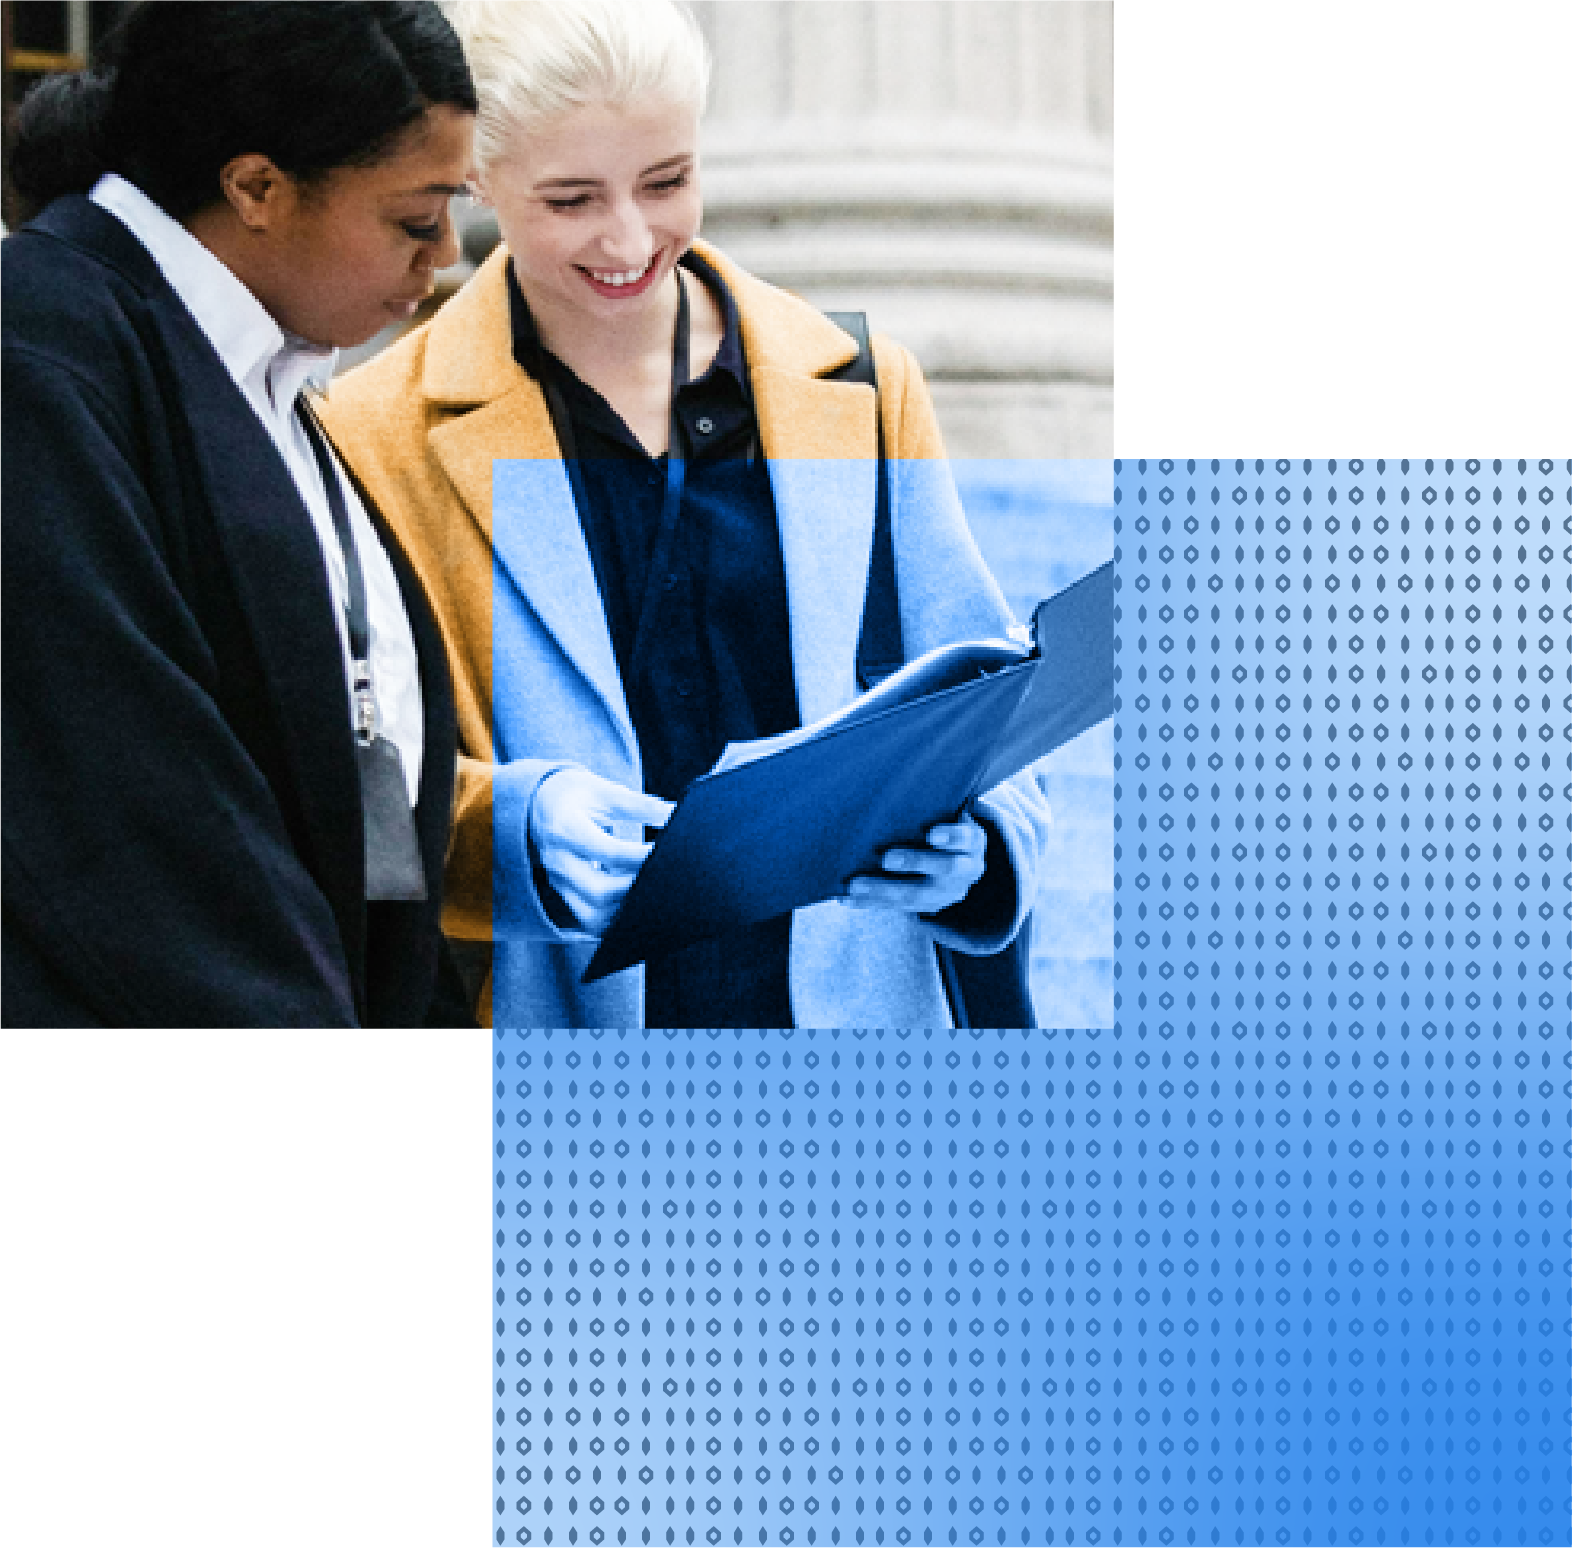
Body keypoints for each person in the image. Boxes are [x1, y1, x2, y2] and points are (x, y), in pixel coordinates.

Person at [324, 0, 1052, 1029]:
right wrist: (515, 835)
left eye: (668, 181)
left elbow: (990, 709)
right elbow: (345, 790)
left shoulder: (858, 383)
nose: (629, 238)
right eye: (572, 199)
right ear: (477, 176)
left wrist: (977, 851)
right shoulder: (370, 430)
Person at [0, 1, 483, 1541]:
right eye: (418, 218)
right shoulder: (44, 343)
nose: (447, 264)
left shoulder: (265, 368)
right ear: (259, 183)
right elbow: (121, 793)